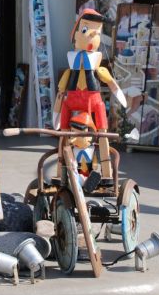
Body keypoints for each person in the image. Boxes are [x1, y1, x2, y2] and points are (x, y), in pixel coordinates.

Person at [54, 9, 126, 184]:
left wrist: (117, 91)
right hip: (71, 101)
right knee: (64, 133)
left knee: (102, 133)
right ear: (75, 35)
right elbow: (61, 93)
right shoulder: (71, 68)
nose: (93, 36)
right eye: (86, 30)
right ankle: (61, 172)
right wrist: (57, 112)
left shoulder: (97, 67)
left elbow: (111, 83)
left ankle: (106, 173)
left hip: (94, 102)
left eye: (97, 32)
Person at [69, 112, 101, 194]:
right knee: (74, 178)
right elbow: (71, 160)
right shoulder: (73, 149)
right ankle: (77, 184)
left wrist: (95, 168)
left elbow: (96, 161)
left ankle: (88, 183)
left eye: (80, 136)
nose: (74, 138)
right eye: (72, 133)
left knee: (94, 174)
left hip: (89, 172)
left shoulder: (92, 149)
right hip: (77, 172)